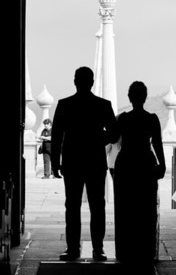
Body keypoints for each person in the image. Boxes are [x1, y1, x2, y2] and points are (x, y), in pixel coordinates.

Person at [51, 66, 119, 260]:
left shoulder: (64, 104)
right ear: (92, 82)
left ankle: (73, 248)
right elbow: (114, 134)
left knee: (72, 206)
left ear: (75, 81)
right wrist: (98, 138)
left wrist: (55, 162)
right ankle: (98, 248)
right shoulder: (103, 105)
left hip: (72, 161)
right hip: (95, 161)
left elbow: (56, 136)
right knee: (97, 206)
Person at [112, 81, 166, 264]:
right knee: (145, 209)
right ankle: (145, 249)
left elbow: (112, 137)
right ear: (145, 97)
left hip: (126, 163)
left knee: (125, 209)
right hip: (145, 163)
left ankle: (126, 249)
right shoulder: (152, 119)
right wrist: (162, 164)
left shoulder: (123, 119)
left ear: (129, 97)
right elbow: (157, 144)